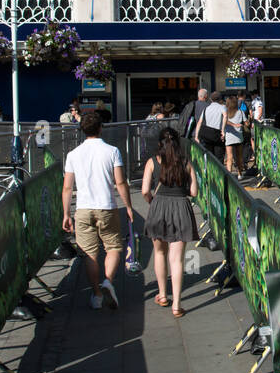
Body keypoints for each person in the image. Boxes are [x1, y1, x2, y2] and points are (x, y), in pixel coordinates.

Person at [61, 111, 135, 310]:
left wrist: (66, 214)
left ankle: (96, 294)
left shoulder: (73, 154)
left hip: (83, 209)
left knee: (89, 254)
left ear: (82, 130)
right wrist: (128, 206)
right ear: (101, 128)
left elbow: (67, 187)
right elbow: (120, 182)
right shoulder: (112, 151)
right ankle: (108, 281)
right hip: (106, 206)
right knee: (113, 247)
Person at [141, 127, 199, 318]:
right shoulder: (186, 162)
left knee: (159, 252)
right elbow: (194, 192)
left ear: (160, 144)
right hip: (181, 208)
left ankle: (163, 294)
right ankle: (177, 305)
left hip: (159, 207)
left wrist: (152, 201)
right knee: (177, 259)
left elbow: (144, 191)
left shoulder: (152, 162)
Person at [195, 90, 226, 160]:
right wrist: (223, 130)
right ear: (220, 99)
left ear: (211, 99)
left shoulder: (206, 109)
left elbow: (199, 122)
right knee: (219, 157)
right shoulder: (222, 107)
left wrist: (196, 136)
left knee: (210, 157)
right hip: (218, 134)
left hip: (208, 135)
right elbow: (225, 116)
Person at [222, 94, 246, 172]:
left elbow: (224, 121)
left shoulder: (225, 112)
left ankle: (229, 175)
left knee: (229, 157)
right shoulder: (241, 112)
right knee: (239, 156)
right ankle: (239, 173)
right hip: (239, 137)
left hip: (229, 137)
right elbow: (246, 123)